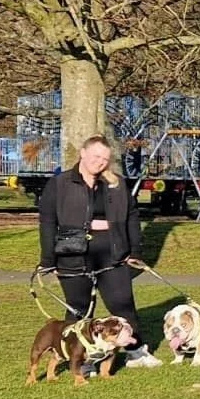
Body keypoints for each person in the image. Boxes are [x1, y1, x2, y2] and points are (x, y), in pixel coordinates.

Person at [38, 135, 162, 370]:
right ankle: (81, 359)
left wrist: (135, 250)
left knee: (123, 303)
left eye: (105, 159)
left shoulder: (116, 184)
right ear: (82, 154)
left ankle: (136, 351)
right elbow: (47, 221)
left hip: (112, 254)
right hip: (72, 254)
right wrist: (47, 259)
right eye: (96, 157)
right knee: (79, 307)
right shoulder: (60, 183)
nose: (100, 163)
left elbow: (132, 217)